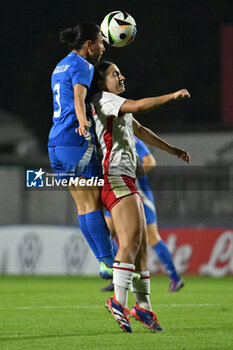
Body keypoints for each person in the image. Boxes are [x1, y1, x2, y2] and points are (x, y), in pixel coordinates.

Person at [91, 60, 190, 333]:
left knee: (142, 249)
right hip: (114, 178)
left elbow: (140, 130)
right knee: (130, 242)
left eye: (121, 72)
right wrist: (171, 96)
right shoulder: (103, 100)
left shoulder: (116, 105)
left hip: (127, 179)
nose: (121, 76)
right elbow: (137, 105)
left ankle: (143, 308)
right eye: (115, 74)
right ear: (101, 83)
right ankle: (118, 302)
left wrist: (170, 149)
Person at [48, 22, 115, 279]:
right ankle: (109, 262)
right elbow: (78, 96)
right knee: (94, 205)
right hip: (75, 138)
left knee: (83, 206)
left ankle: (103, 261)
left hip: (56, 141)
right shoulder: (83, 65)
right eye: (100, 41)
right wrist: (83, 120)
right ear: (88, 45)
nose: (103, 46)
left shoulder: (60, 65)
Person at [103, 136, 184, 292]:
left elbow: (150, 162)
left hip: (138, 194)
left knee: (153, 238)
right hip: (116, 192)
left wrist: (128, 175)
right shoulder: (104, 136)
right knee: (105, 233)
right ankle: (119, 277)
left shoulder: (128, 137)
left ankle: (175, 278)